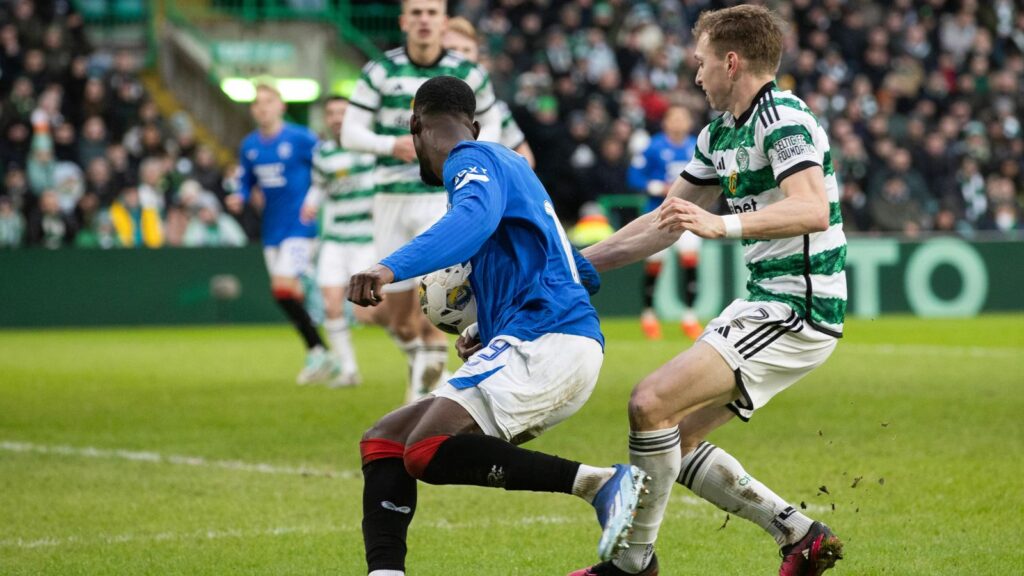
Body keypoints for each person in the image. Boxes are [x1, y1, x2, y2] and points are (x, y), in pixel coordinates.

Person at [570, 6, 846, 576]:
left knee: (649, 402)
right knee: (675, 440)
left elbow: (813, 208)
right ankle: (801, 536)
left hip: (802, 306)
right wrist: (573, 267)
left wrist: (723, 224)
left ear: (731, 60)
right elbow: (664, 221)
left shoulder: (784, 119)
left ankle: (631, 564)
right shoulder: (718, 132)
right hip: (767, 299)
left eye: (699, 63)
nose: (695, 76)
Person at [348, 76, 645, 576]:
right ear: (476, 121)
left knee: (424, 451)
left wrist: (388, 267)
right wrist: (493, 319)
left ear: (413, 123)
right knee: (386, 441)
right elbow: (575, 271)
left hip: (546, 339)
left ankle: (598, 483)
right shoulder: (513, 166)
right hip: (543, 335)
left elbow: (472, 222)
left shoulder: (472, 159)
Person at [341, 0, 502, 403]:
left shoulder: (467, 73)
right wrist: (390, 144)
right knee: (395, 317)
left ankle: (422, 395)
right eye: (416, 13)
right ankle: (425, 362)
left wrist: (466, 157)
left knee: (436, 298)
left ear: (443, 21)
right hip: (390, 197)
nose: (424, 20)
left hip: (440, 198)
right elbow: (349, 133)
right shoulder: (380, 71)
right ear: (403, 22)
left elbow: (494, 126)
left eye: (431, 13)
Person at [227, 82, 333, 385]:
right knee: (287, 293)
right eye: (257, 103)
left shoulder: (300, 138)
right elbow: (245, 181)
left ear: (281, 106)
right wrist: (240, 196)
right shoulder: (249, 145)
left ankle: (320, 350)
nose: (262, 107)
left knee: (283, 288)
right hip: (271, 229)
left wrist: (316, 199)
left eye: (268, 101)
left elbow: (325, 168)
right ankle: (322, 351)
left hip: (301, 227)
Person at [300, 95, 380, 388]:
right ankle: (348, 370)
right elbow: (319, 187)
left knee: (369, 312)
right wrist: (310, 204)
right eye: (331, 113)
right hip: (335, 239)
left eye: (341, 112)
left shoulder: (371, 148)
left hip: (365, 239)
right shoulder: (324, 154)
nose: (336, 118)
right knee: (331, 304)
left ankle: (419, 352)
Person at [626, 105, 703, 340]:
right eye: (674, 118)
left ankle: (689, 317)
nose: (679, 122)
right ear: (665, 122)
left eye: (683, 117)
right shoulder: (654, 146)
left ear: (689, 122)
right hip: (659, 213)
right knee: (655, 265)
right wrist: (659, 187)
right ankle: (648, 315)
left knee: (690, 259)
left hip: (690, 214)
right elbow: (634, 176)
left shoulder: (696, 145)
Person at [443, 16, 536, 167]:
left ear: (476, 56)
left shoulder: (495, 108)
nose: (460, 57)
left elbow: (525, 157)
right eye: (452, 49)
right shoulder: (412, 93)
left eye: (467, 50)